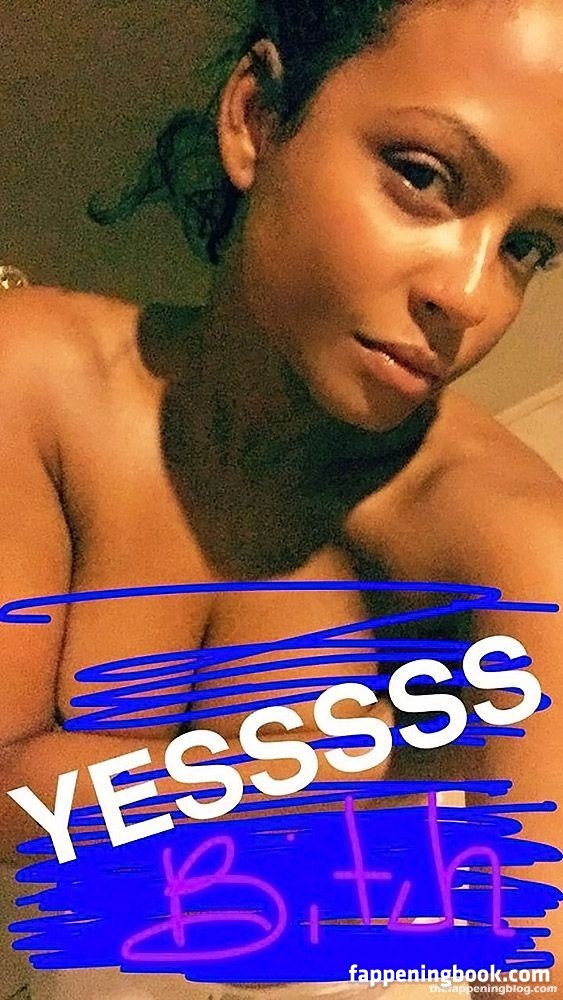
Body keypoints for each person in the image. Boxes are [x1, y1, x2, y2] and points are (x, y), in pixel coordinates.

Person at [1, 0, 562, 996]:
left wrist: (99, 778)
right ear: (256, 116)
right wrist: (270, 768)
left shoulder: (511, 550)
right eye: (422, 176)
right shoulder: (38, 381)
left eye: (526, 246)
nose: (472, 295)